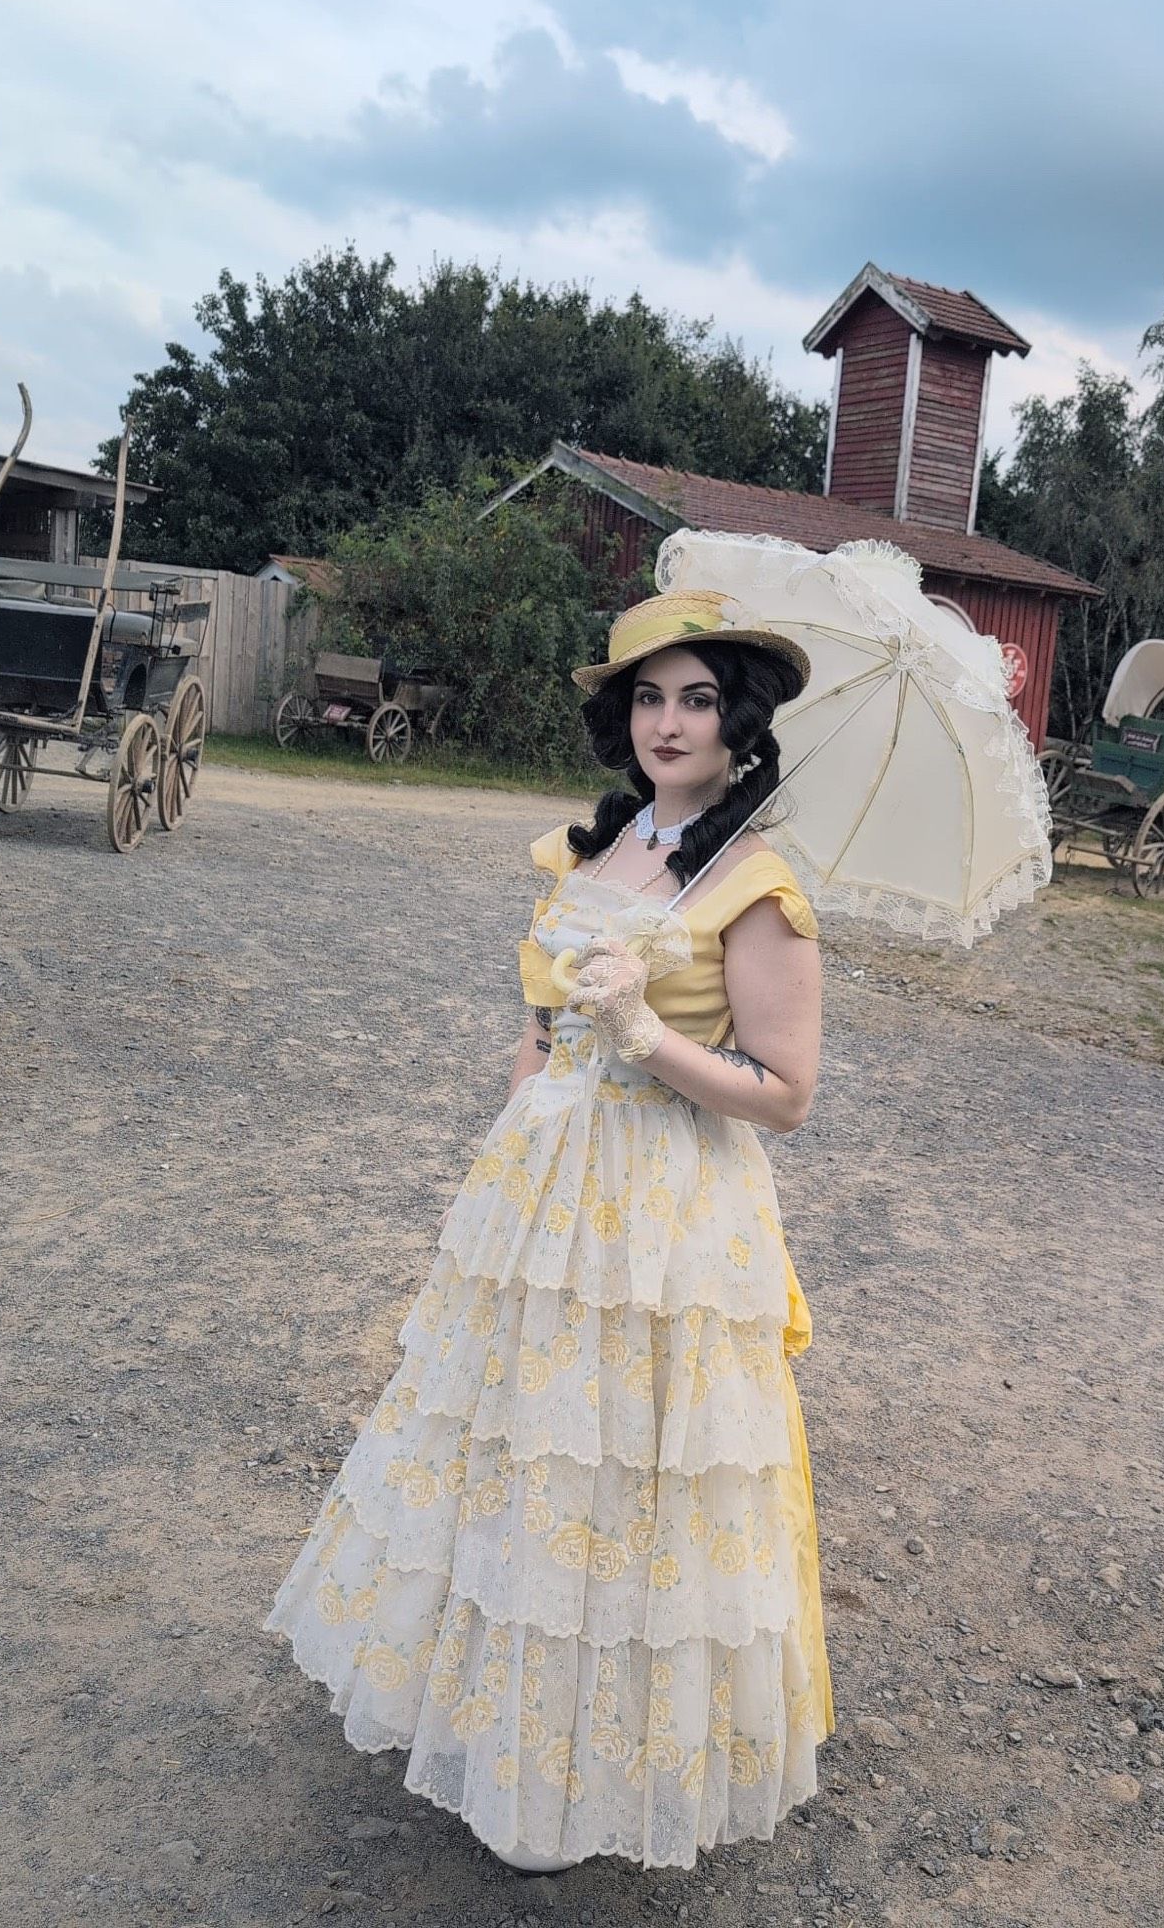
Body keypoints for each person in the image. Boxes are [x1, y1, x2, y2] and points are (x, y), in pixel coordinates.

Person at [264, 583, 833, 1872]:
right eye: (648, 697)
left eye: (698, 699)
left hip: (668, 1203)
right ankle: (483, 1717)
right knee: (521, 1437)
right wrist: (523, 1104)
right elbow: (535, 1015)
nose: (669, 723)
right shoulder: (602, 847)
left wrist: (648, 1037)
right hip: (546, 1185)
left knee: (625, 1460)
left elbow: (786, 1094)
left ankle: (589, 1774)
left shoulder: (758, 886)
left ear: (741, 722)